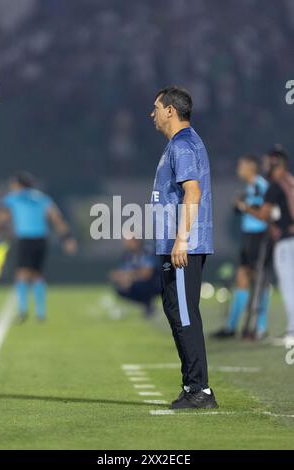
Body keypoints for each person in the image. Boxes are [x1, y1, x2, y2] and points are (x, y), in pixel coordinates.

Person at [150, 86, 217, 410]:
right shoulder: (178, 145)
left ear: (170, 111)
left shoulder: (184, 145)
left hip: (183, 247)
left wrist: (182, 240)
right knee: (178, 314)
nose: (153, 114)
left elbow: (193, 193)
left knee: (185, 315)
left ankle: (199, 390)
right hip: (174, 245)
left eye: (156, 107)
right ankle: (193, 386)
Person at [0, 172, 77, 322]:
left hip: (26, 239)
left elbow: (2, 219)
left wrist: (4, 233)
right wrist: (67, 238)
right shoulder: (42, 198)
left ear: (18, 185)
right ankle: (41, 313)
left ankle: (22, 312)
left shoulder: (13, 198)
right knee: (36, 275)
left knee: (21, 274)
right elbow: (56, 218)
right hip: (41, 239)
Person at [236, 147, 294, 346]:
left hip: (285, 240)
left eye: (268, 163)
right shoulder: (290, 181)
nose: (266, 166)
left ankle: (290, 330)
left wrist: (244, 207)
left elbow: (263, 214)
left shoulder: (274, 185)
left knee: (286, 286)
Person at [213, 155, 271, 340]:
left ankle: (259, 327)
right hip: (249, 237)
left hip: (259, 237)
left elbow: (264, 214)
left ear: (251, 167)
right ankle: (232, 326)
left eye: (241, 165)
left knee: (259, 281)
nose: (239, 169)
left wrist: (243, 206)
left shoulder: (260, 186)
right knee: (242, 278)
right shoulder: (248, 187)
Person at [109, 238, 160, 316]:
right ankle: (147, 305)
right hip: (139, 281)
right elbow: (119, 272)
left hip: (155, 283)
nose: (125, 243)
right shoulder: (128, 254)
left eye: (127, 241)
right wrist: (121, 277)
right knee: (121, 289)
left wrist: (129, 277)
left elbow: (147, 273)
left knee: (137, 286)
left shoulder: (148, 250)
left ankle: (148, 305)